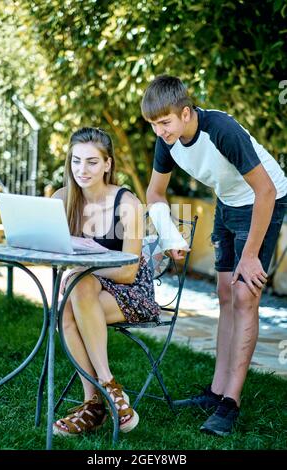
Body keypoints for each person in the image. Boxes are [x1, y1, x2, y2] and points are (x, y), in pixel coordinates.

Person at [141, 75, 287, 436]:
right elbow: (155, 194)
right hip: (227, 201)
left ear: (186, 113)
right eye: (155, 125)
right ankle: (216, 391)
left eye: (165, 123)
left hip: (264, 201)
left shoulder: (221, 129)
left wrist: (250, 255)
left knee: (243, 295)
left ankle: (230, 403)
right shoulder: (168, 141)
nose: (160, 131)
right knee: (224, 294)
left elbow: (265, 190)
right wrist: (169, 234)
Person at [52, 126, 160, 436]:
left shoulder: (127, 204)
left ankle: (98, 398)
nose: (81, 170)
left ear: (108, 164)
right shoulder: (62, 199)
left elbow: (128, 271)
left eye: (91, 162)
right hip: (84, 293)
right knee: (75, 298)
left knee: (77, 293)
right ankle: (103, 398)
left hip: (131, 293)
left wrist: (84, 268)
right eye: (75, 161)